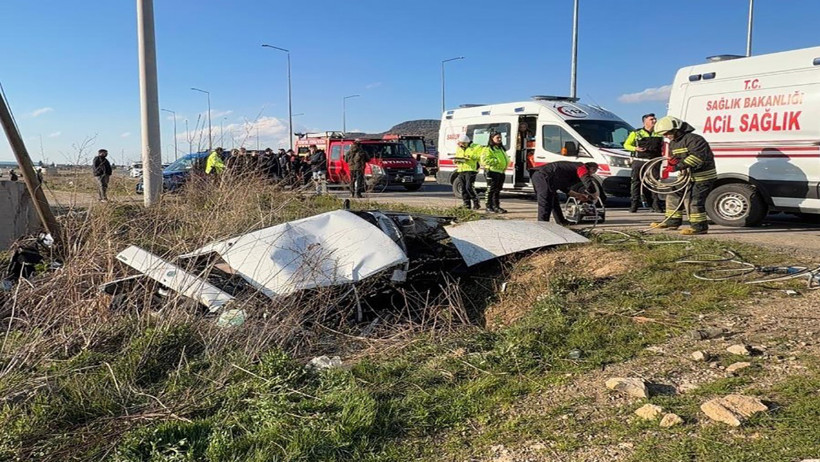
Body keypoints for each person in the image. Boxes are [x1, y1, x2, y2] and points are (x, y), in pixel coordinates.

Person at [651, 116, 717, 235]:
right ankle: (672, 221)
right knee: (673, 195)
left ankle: (699, 227)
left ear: (676, 130)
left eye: (667, 133)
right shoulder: (674, 143)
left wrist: (676, 167)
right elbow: (676, 157)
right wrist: (673, 162)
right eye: (664, 135)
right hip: (685, 176)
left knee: (694, 201)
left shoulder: (695, 139)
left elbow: (697, 158)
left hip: (702, 177)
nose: (666, 136)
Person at [531, 161, 599, 223]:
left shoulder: (570, 171)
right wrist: (594, 193)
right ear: (592, 169)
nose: (592, 174)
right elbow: (587, 181)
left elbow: (563, 187)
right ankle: (543, 224)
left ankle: (561, 221)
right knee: (545, 201)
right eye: (593, 171)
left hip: (547, 177)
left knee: (554, 201)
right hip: (543, 176)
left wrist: (578, 195)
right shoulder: (582, 167)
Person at [624, 113, 663, 213]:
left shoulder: (659, 133)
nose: (654, 121)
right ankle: (634, 205)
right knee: (636, 183)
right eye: (652, 119)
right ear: (645, 122)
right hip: (639, 162)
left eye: (655, 119)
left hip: (654, 162)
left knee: (654, 183)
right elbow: (626, 145)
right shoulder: (636, 133)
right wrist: (635, 148)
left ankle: (655, 205)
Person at [480, 132, 510, 213]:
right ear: (492, 138)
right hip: (492, 171)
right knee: (490, 190)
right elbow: (484, 160)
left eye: (500, 137)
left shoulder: (500, 148)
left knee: (497, 190)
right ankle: (488, 207)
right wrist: (496, 161)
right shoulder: (488, 149)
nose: (499, 139)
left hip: (500, 172)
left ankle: (496, 206)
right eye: (497, 137)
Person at [453, 134, 481, 209]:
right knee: (463, 188)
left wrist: (470, 157)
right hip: (461, 169)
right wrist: (456, 160)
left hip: (471, 169)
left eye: (462, 143)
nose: (461, 145)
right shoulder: (459, 148)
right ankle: (466, 204)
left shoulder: (475, 147)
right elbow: (457, 156)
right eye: (459, 143)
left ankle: (476, 202)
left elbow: (479, 156)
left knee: (469, 187)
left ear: (466, 142)